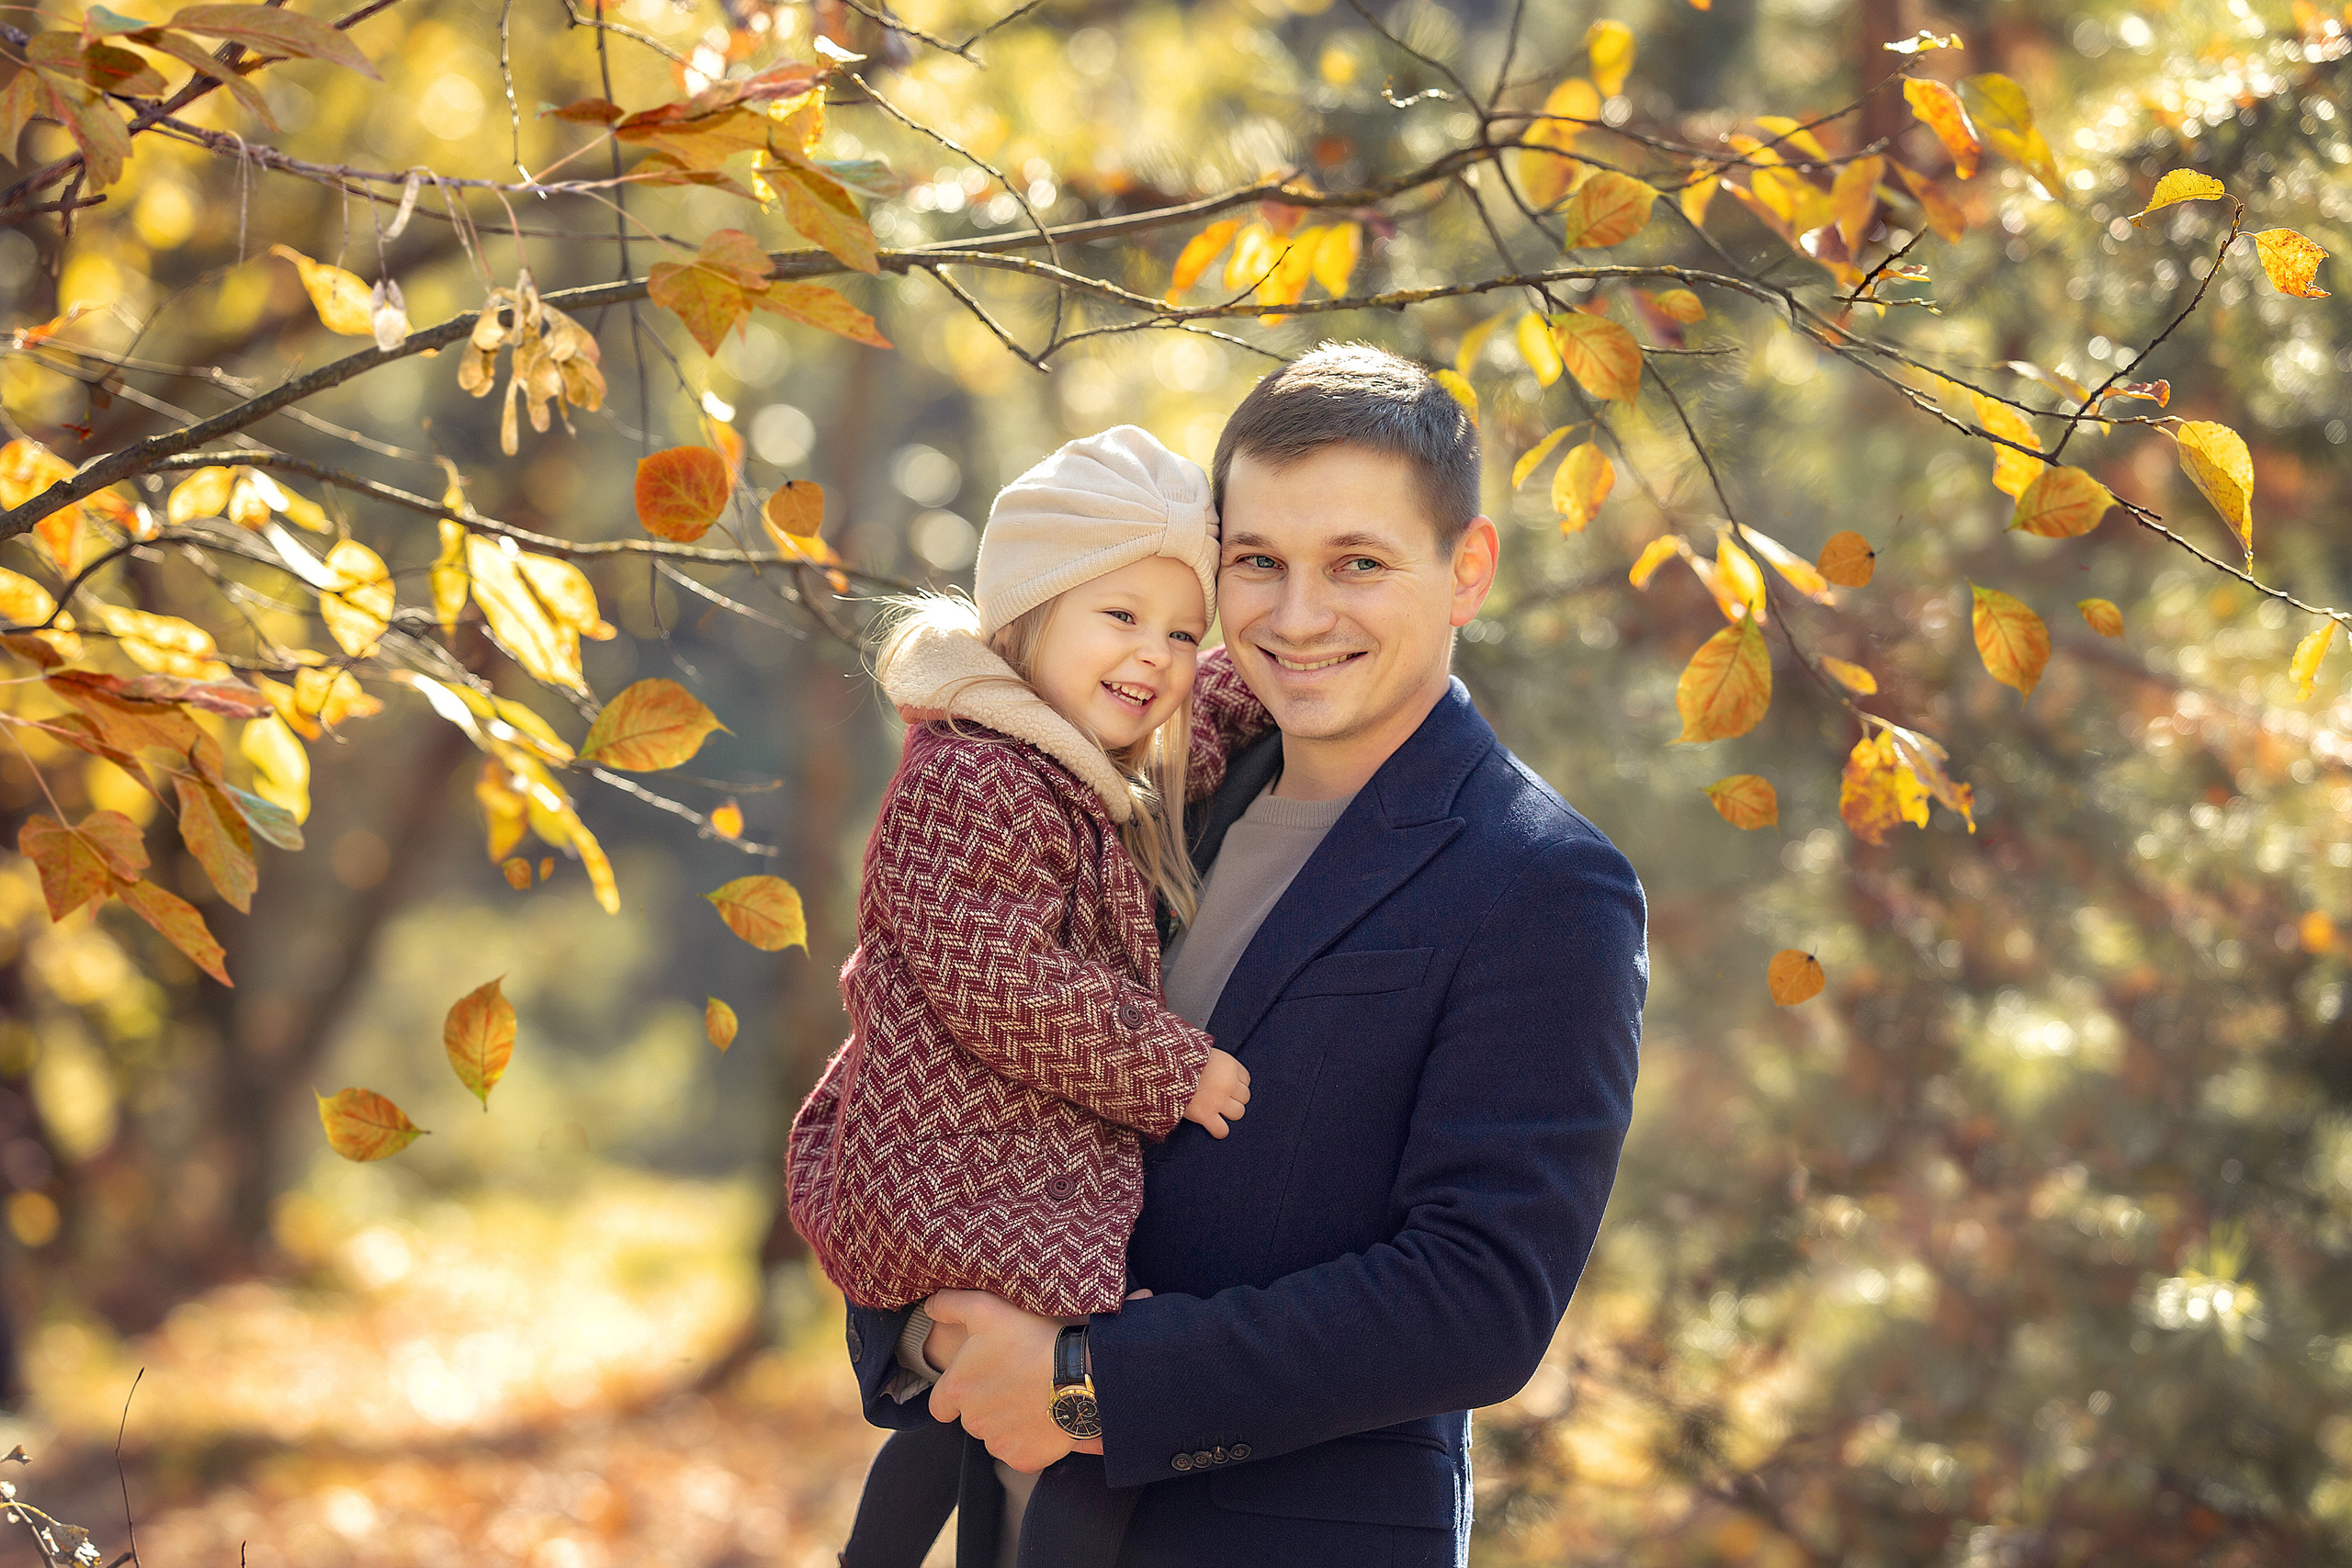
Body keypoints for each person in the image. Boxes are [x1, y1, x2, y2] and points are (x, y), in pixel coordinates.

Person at [842, 343, 1650, 1566]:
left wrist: (1089, 1381)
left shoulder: (1542, 881)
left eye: (1358, 564)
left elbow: (1479, 1299)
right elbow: (928, 1051)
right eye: (1258, 562)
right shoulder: (1133, 795)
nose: (1297, 614)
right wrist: (931, 1331)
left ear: (1466, 569)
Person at [784, 425, 1274, 1568]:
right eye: (1120, 617)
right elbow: (1000, 982)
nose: (1153, 656)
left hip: (993, 1179)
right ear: (1030, 612)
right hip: (948, 1168)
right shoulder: (971, 776)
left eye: (1181, 632)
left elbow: (1190, 746)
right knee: (1066, 1419)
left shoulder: (1073, 755)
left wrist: (1280, 672)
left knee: (968, 1417)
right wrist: (1167, 1065)